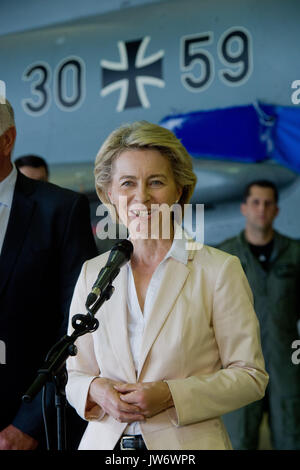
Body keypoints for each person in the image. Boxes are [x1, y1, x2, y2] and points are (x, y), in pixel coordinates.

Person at [66, 121, 268, 450]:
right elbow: (74, 374)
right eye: (127, 183)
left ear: (179, 190)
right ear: (110, 194)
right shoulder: (93, 273)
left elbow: (250, 376)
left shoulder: (218, 269)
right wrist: (94, 390)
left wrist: (172, 396)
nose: (141, 197)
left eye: (156, 182)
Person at [0, 98, 98, 450]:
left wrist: (28, 426)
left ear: (7, 139)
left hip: (28, 429)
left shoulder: (60, 209)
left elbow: (77, 327)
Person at [218, 180, 300, 450]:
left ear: (276, 210)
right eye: (255, 202)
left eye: (268, 203)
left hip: (286, 361)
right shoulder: (223, 257)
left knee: (292, 438)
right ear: (244, 208)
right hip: (239, 363)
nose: (261, 209)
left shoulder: (295, 253)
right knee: (238, 440)